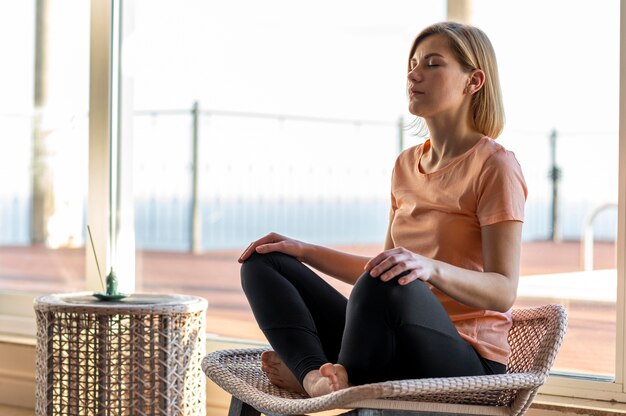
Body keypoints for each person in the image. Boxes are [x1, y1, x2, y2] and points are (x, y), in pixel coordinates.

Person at [238, 21, 527, 398]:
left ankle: (337, 376)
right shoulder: (406, 165)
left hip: (466, 360)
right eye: (413, 63)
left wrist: (429, 268)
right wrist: (303, 251)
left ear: (473, 81)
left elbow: (503, 290)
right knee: (264, 261)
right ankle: (313, 375)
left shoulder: (496, 166)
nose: (414, 73)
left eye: (432, 64)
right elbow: (378, 272)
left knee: (389, 278)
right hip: (391, 339)